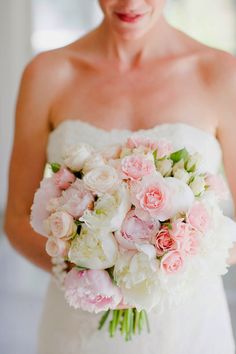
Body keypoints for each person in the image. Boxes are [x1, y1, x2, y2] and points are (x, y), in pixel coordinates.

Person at [4, 0, 236, 353]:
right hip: (78, 329)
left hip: (189, 329)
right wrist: (93, 271)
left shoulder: (221, 74)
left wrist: (169, 267)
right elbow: (17, 219)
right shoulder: (47, 73)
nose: (130, 3)